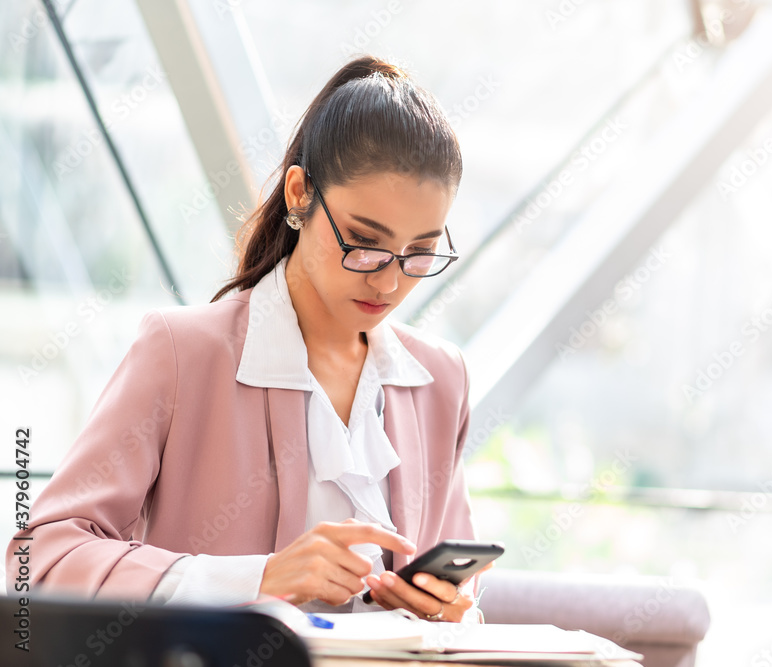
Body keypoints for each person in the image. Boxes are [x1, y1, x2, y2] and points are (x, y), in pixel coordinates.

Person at [6, 55, 482, 622]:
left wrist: (454, 609)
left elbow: (459, 592)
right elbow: (37, 561)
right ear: (301, 193)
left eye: (420, 253)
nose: (388, 278)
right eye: (363, 240)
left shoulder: (440, 379)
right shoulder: (182, 352)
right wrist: (258, 579)